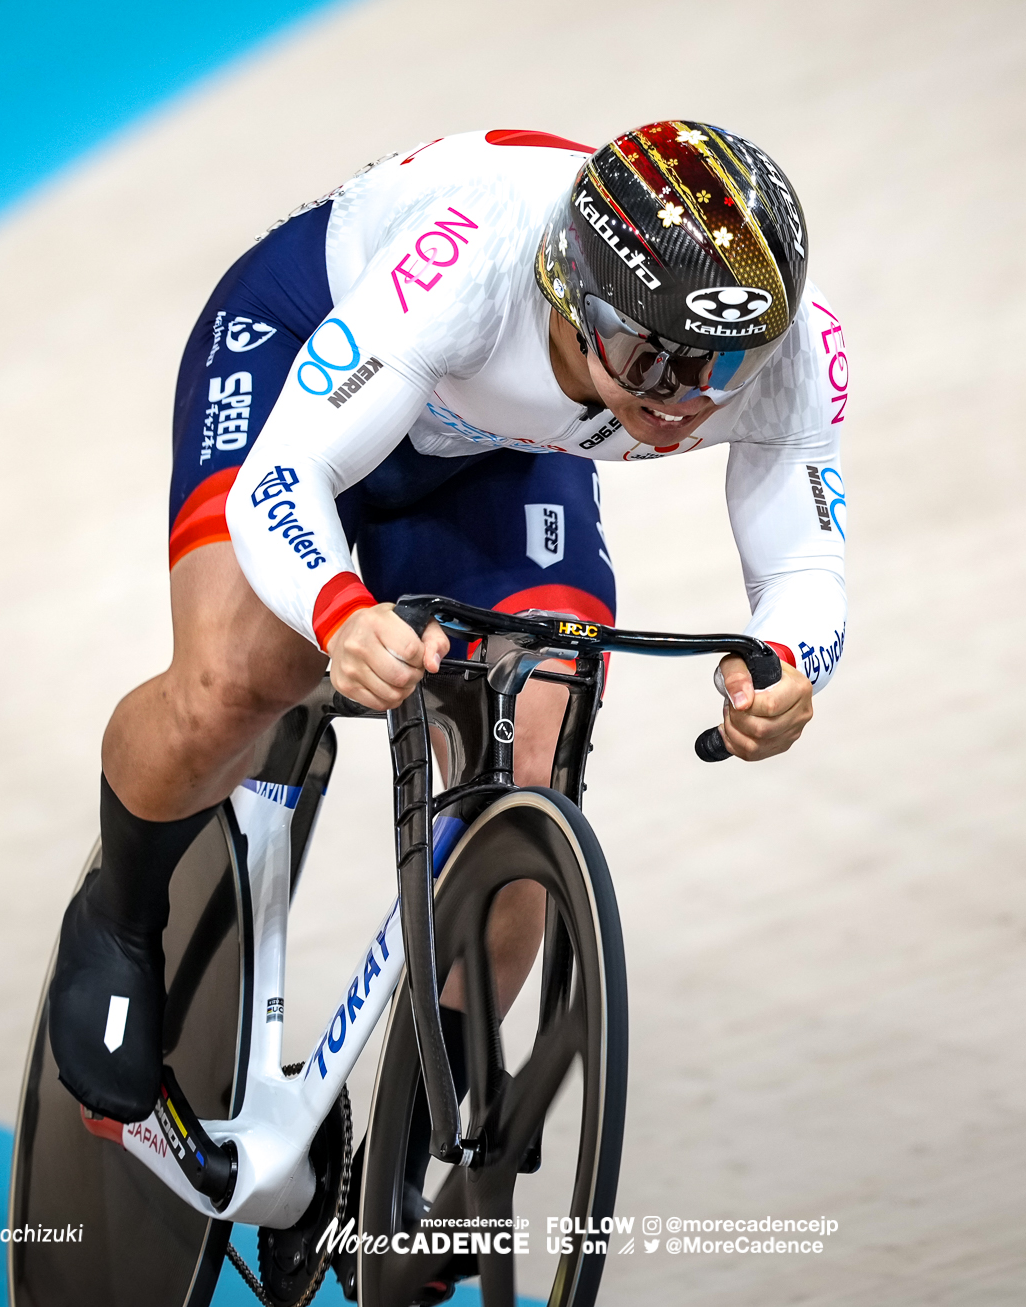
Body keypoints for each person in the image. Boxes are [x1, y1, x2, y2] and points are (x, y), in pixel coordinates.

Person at [47, 121, 849, 1127]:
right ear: (574, 298)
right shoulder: (472, 259)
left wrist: (786, 665)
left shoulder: (787, 344)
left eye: (722, 369)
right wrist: (338, 610)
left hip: (491, 439)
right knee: (239, 675)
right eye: (653, 364)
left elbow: (807, 564)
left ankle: (422, 1131)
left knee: (533, 755)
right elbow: (283, 482)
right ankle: (122, 913)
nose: (686, 402)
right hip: (307, 350)